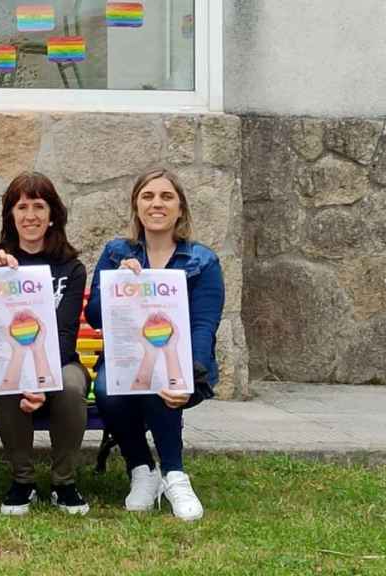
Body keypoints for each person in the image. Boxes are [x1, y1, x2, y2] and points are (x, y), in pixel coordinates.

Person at [85, 168, 224, 522]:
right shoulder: (117, 253)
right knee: (107, 388)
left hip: (183, 361)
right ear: (136, 206)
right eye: (147, 196)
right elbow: (96, 317)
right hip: (124, 361)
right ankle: (142, 469)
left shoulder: (203, 261)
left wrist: (189, 375)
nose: (156, 204)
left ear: (180, 209)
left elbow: (204, 325)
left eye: (166, 197)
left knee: (163, 377)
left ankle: (175, 475)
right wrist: (119, 284)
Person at [0, 171, 90, 517]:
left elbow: (67, 335)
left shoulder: (71, 267)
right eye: (21, 206)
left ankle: (63, 482)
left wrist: (41, 378)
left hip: (58, 359)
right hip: (8, 361)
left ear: (53, 214)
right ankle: (22, 481)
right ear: (11, 215)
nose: (31, 215)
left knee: (70, 386)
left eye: (39, 206)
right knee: (9, 382)